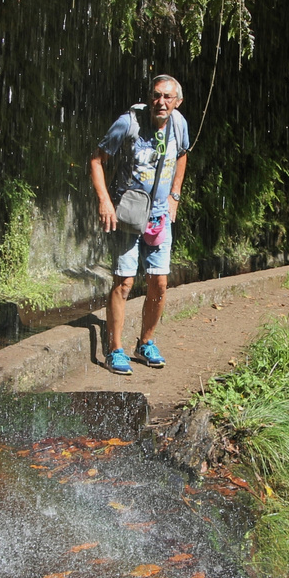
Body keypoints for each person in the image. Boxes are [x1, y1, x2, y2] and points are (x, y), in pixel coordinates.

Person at [88, 74, 190, 375]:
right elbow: (96, 160)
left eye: (167, 97)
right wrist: (105, 201)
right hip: (129, 215)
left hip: (160, 216)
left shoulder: (179, 123)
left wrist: (175, 196)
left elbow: (182, 155)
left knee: (159, 283)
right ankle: (115, 349)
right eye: (156, 95)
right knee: (125, 283)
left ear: (177, 101)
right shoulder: (129, 123)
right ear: (150, 96)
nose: (161, 102)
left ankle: (145, 342)